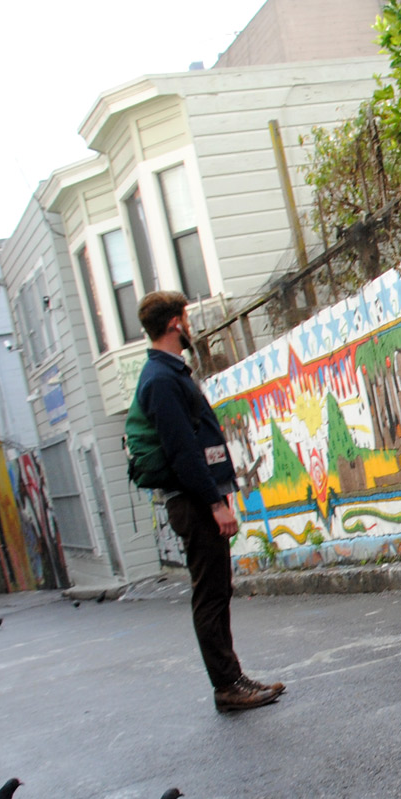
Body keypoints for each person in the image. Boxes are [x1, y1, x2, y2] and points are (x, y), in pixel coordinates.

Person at [132, 290, 284, 713]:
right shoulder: (161, 379)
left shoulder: (169, 373)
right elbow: (183, 450)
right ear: (174, 325)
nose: (190, 323)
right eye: (186, 316)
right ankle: (226, 686)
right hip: (194, 502)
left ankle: (232, 677)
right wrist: (215, 503)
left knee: (217, 589)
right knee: (210, 593)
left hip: (198, 499)